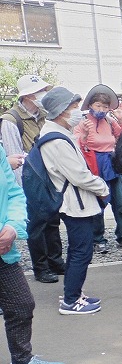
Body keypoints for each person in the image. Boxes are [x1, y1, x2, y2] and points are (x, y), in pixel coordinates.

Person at [0, 146, 65, 364]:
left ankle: (22, 361)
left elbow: (14, 194)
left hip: (4, 249)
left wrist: (13, 227)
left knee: (21, 304)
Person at [40, 87, 110, 315]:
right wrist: (102, 187)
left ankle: (74, 293)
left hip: (73, 201)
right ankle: (71, 301)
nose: (78, 111)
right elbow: (78, 175)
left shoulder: (56, 133)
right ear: (61, 111)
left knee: (77, 250)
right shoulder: (57, 140)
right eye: (73, 107)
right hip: (76, 203)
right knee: (82, 251)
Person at [1, 75, 65, 284]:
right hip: (29, 179)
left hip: (49, 176)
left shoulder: (45, 116)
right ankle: (41, 267)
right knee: (36, 225)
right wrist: (22, 191)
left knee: (52, 220)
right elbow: (14, 158)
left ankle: (56, 261)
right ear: (28, 95)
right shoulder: (11, 120)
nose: (44, 94)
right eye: (40, 91)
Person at [73, 84, 122, 255]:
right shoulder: (82, 122)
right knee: (98, 204)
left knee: (120, 203)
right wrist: (84, 135)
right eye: (98, 105)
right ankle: (98, 239)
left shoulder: (109, 121)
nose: (101, 109)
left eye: (105, 106)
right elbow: (76, 143)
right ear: (90, 105)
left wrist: (121, 120)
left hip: (111, 164)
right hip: (93, 163)